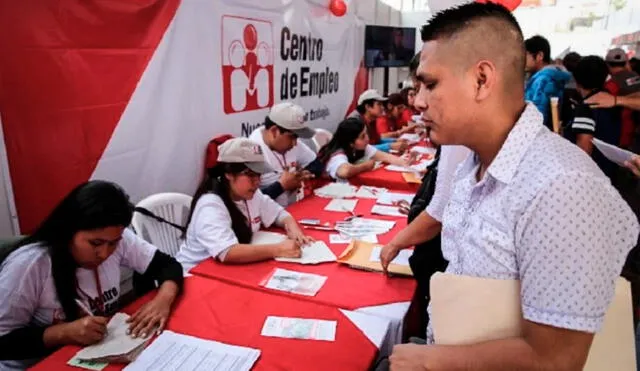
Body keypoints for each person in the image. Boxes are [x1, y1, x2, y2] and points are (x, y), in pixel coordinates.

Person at [389, 3, 639, 370]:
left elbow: (557, 358)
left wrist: (433, 361)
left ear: (481, 79)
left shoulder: (561, 188)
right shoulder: (471, 168)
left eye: (430, 84)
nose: (419, 102)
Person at [0, 181, 183, 369]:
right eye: (95, 243)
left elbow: (167, 265)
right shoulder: (30, 265)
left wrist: (162, 301)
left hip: (88, 355)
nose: (104, 253)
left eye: (112, 244)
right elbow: (3, 342)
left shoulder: (118, 239)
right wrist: (63, 332)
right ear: (69, 231)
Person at [175, 138, 312, 272]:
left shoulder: (251, 193)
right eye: (250, 175)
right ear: (228, 174)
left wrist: (294, 231)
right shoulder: (210, 204)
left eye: (259, 175)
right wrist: (278, 249)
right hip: (194, 275)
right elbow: (227, 252)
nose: (257, 182)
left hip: (227, 271)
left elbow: (279, 214)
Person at [249, 102, 323, 206]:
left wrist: (302, 174)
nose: (295, 143)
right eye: (292, 137)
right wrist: (281, 186)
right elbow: (247, 200)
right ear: (274, 131)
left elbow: (317, 165)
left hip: (291, 210)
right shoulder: (251, 151)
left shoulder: (292, 144)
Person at [568, 56, 622, 180]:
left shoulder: (585, 108)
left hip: (591, 177)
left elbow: (583, 151)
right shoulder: (612, 102)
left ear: (577, 81)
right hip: (608, 171)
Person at [318, 118, 411, 182]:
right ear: (351, 143)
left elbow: (386, 157)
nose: (367, 138)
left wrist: (407, 163)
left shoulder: (361, 146)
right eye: (362, 136)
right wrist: (365, 166)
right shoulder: (338, 154)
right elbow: (344, 172)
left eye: (366, 134)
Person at [524, 35, 571, 129]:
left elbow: (538, 116)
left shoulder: (544, 80)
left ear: (540, 56)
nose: (522, 60)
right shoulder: (553, 76)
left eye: (525, 56)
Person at [604, 48, 640, 149]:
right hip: (635, 131)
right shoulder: (636, 76)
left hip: (623, 134)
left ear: (607, 64)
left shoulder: (610, 84)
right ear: (625, 62)